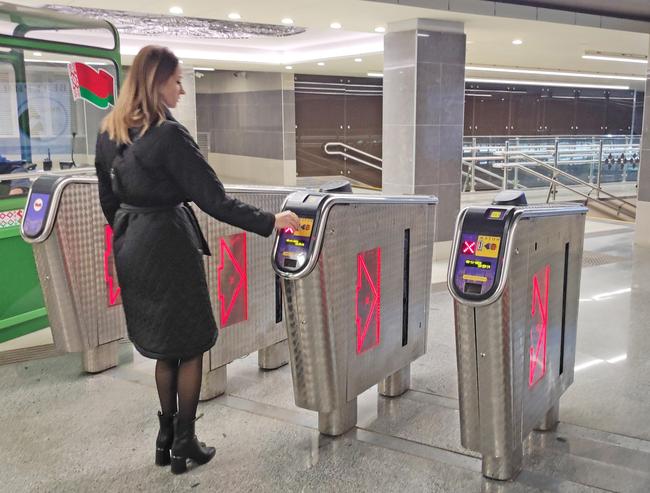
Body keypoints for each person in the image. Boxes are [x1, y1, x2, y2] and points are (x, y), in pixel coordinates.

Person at [94, 45, 299, 475]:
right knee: (190, 345)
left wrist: (132, 235)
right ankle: (185, 442)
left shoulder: (110, 132)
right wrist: (271, 221)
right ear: (157, 83)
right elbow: (214, 200)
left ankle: (165, 436)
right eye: (177, 81)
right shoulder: (169, 135)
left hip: (131, 246)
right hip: (168, 245)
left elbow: (108, 202)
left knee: (162, 346)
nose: (182, 90)